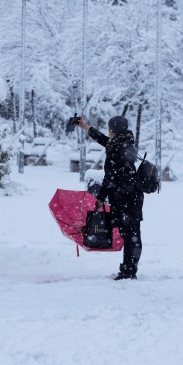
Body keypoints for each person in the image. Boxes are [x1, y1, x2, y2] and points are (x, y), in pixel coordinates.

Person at [76, 115, 142, 280]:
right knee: (133, 235)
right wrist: (87, 127)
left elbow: (109, 179)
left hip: (123, 197)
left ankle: (128, 272)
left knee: (130, 236)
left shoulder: (115, 149)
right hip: (133, 196)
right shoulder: (126, 143)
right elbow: (106, 141)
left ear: (112, 130)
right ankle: (130, 269)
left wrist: (100, 197)